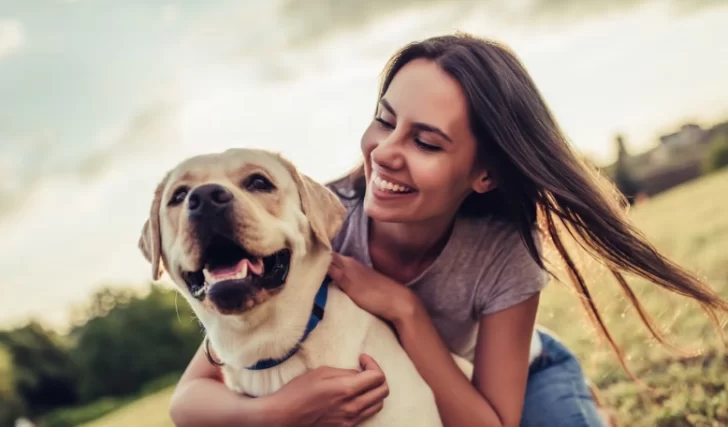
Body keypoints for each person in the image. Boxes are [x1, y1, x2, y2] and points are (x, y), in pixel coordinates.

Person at [167, 33, 728, 427]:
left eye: (426, 142)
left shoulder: (505, 253)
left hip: (519, 375)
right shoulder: (316, 223)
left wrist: (405, 312)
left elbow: (488, 422)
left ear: (484, 174)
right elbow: (191, 397)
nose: (384, 153)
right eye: (385, 121)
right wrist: (279, 413)